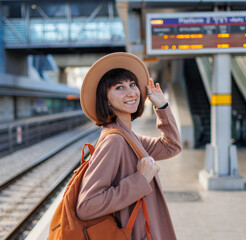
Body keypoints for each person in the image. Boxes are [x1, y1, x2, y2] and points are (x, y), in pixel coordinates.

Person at [77, 52, 182, 240]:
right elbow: (87, 205)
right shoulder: (114, 141)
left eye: (132, 84)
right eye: (119, 87)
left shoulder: (129, 136)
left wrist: (162, 106)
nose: (131, 92)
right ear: (106, 98)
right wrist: (140, 180)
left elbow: (171, 146)